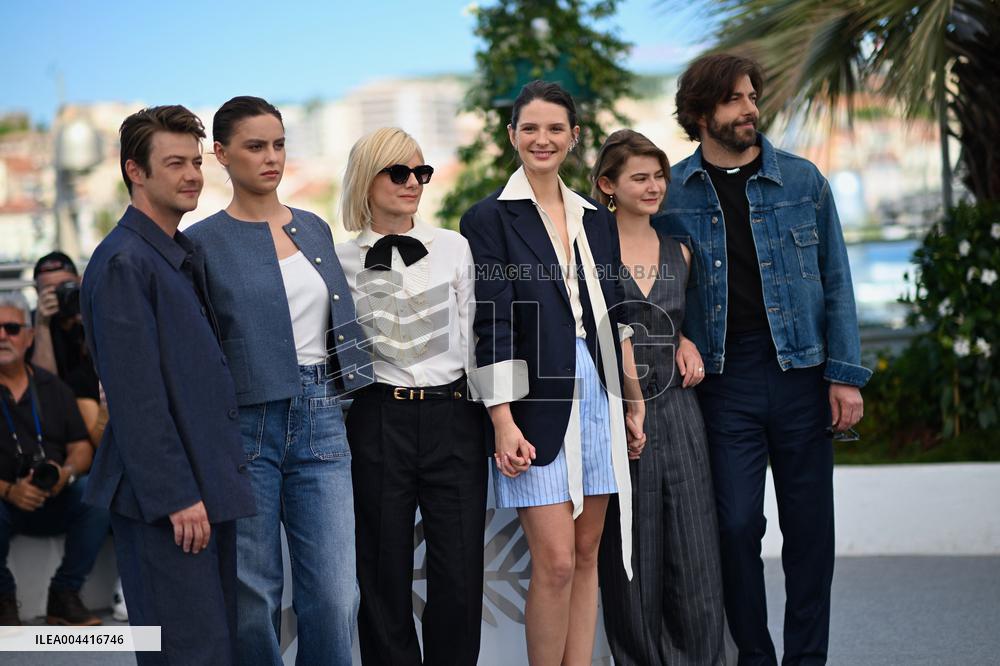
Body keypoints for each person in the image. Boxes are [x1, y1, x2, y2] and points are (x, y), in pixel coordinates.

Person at [655, 54, 872, 666]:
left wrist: (844, 375)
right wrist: (673, 337)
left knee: (810, 532)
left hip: (801, 373)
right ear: (701, 113)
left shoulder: (803, 181)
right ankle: (754, 655)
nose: (750, 109)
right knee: (735, 525)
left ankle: (806, 659)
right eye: (734, 99)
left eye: (752, 96)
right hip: (725, 381)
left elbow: (837, 280)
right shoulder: (671, 193)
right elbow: (648, 282)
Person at [460, 80, 646, 665]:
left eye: (555, 128)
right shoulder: (487, 218)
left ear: (574, 137)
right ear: (512, 135)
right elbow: (491, 323)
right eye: (531, 128)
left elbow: (616, 315)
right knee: (557, 561)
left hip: (599, 391)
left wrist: (633, 400)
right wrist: (502, 420)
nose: (543, 139)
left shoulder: (596, 219)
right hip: (534, 400)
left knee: (588, 556)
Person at [186, 96, 371, 666]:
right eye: (255, 146)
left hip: (322, 419)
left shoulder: (313, 227)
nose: (272, 157)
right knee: (252, 598)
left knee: (336, 597)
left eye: (279, 144)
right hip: (245, 426)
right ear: (221, 154)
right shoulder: (201, 242)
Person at [81, 105, 256, 666]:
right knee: (190, 654)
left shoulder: (173, 254)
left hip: (203, 490)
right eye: (174, 163)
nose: (192, 175)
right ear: (135, 171)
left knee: (212, 650)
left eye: (195, 162)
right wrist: (177, 496)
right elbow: (136, 398)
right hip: (169, 504)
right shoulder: (124, 263)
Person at [335, 127, 487, 666]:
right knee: (381, 574)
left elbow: (477, 340)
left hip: (455, 417)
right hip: (378, 418)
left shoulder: (454, 246)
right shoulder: (336, 259)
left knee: (461, 573)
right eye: (398, 172)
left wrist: (501, 421)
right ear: (366, 178)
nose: (413, 183)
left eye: (420, 172)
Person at [592, 129, 726, 665]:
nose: (653, 187)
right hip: (620, 414)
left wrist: (686, 340)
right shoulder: (591, 254)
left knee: (695, 553)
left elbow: (686, 321)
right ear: (608, 185)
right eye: (639, 178)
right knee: (631, 554)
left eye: (659, 177)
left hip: (681, 412)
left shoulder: (682, 252)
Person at [0, 291, 109, 627]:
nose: (2, 336)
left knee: (96, 493)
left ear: (29, 335)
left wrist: (66, 473)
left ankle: (64, 594)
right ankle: (2, 598)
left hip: (55, 496)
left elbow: (82, 448)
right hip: (3, 502)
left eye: (12, 328)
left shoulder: (54, 388)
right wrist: (9, 490)